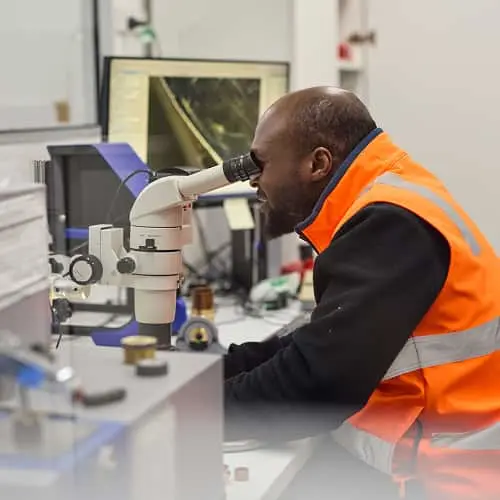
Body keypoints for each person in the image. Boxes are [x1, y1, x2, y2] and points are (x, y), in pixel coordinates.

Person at [223, 87, 500, 500]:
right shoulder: (394, 192)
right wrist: (197, 377)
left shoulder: (390, 224)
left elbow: (316, 387)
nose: (252, 179)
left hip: (446, 475)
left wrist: (185, 412)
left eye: (261, 162)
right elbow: (319, 346)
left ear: (318, 163)